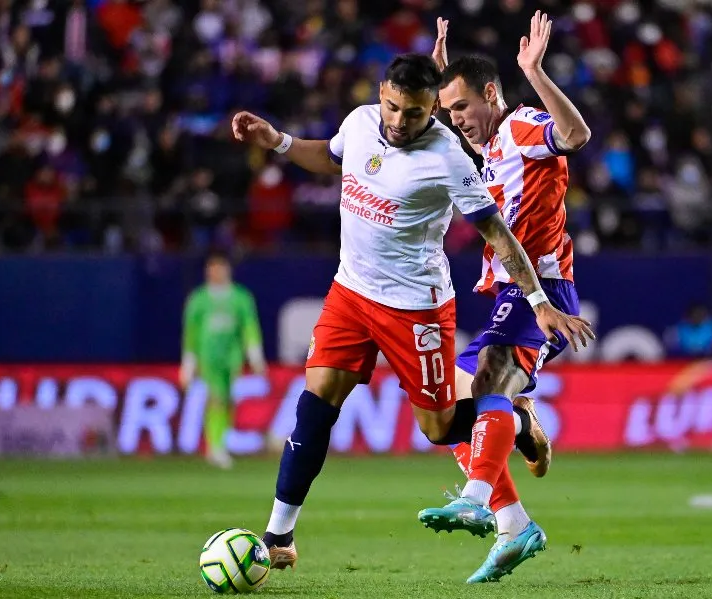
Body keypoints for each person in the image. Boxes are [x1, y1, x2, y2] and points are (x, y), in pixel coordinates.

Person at [230, 54, 594, 574]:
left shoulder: (448, 157)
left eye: (417, 114)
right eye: (395, 108)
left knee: (441, 429)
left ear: (432, 114)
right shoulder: (358, 124)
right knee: (316, 402)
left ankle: (511, 418)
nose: (401, 123)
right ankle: (279, 533)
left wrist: (540, 302)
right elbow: (329, 158)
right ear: (382, 93)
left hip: (415, 306)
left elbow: (499, 235)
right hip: (350, 292)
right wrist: (280, 142)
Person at [417, 11, 592, 583]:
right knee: (451, 409)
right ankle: (513, 522)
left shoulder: (520, 127)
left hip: (543, 288)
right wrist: (445, 75)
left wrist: (535, 72)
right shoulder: (491, 148)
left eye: (462, 107)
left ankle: (475, 495)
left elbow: (576, 137)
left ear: (492, 94)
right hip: (509, 293)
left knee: (490, 372)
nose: (456, 120)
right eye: (448, 112)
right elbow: (462, 116)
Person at [179, 250, 266, 469]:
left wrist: (255, 356)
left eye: (220, 267)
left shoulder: (240, 297)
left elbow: (249, 327)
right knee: (216, 398)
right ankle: (215, 447)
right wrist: (189, 364)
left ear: (228, 270)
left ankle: (219, 443)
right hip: (209, 357)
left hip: (231, 357)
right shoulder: (198, 299)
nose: (216, 272)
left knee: (227, 400)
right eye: (212, 268)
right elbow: (191, 333)